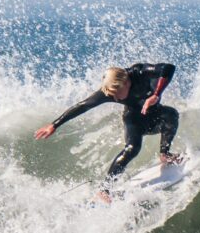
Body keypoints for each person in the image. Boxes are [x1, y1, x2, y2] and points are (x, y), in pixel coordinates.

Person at [34, 63, 181, 203]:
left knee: (172, 114)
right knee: (132, 148)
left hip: (156, 116)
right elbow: (83, 106)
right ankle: (104, 191)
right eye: (112, 96)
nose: (115, 99)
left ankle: (165, 153)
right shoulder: (110, 92)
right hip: (134, 119)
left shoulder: (139, 72)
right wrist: (54, 125)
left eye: (116, 94)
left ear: (126, 83)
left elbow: (168, 68)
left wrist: (156, 94)